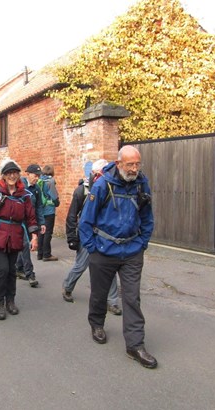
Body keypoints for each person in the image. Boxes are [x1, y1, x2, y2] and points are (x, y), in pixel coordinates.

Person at [79, 146, 157, 369]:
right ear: (119, 163)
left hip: (132, 250)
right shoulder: (103, 184)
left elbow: (147, 216)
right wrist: (92, 248)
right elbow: (86, 220)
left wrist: (142, 243)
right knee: (100, 293)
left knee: (132, 298)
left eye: (137, 164)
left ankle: (135, 345)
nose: (134, 169)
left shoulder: (142, 183)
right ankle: (96, 323)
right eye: (130, 164)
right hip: (103, 250)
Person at [0, 159, 39, 320]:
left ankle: (10, 300)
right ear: (4, 176)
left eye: (15, 172)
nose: (12, 175)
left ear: (19, 175)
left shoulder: (24, 195)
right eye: (8, 173)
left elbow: (31, 218)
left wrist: (34, 236)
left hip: (16, 237)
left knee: (12, 271)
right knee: (3, 269)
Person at [62, 159, 122, 316]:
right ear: (95, 174)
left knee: (110, 269)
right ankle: (67, 287)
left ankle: (113, 301)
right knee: (81, 265)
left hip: (106, 236)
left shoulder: (112, 188)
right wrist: (71, 238)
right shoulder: (81, 191)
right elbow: (72, 216)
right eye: (101, 173)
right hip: (88, 234)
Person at [15, 164, 46, 287]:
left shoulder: (37, 188)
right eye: (35, 175)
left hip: (31, 222)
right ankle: (30, 274)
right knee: (25, 245)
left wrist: (42, 222)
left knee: (23, 246)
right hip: (19, 222)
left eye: (38, 176)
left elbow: (38, 207)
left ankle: (18, 268)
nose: (37, 178)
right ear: (28, 174)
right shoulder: (19, 185)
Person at [37, 165, 60, 261]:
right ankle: (47, 254)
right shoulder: (50, 181)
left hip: (41, 210)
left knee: (41, 231)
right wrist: (57, 203)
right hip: (49, 210)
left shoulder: (39, 181)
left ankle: (40, 253)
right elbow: (54, 197)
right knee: (48, 233)